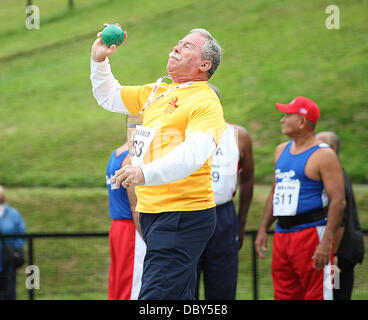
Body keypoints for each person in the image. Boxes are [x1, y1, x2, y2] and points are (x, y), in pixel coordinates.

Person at [91, 26, 226, 299]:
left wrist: (143, 173)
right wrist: (99, 60)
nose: (177, 47)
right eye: (178, 42)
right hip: (155, 212)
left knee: (155, 298)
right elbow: (108, 95)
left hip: (184, 213)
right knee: (178, 297)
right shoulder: (158, 92)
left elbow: (193, 154)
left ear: (204, 64)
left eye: (187, 46)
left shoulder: (205, 101)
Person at [254, 96, 346, 300]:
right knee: (284, 293)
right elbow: (275, 192)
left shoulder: (324, 155)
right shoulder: (281, 150)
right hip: (282, 233)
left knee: (316, 294)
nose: (282, 119)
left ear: (302, 121)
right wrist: (263, 228)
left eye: (288, 115)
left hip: (311, 233)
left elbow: (338, 200)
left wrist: (327, 242)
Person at [196, 85, 254, 300]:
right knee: (185, 285)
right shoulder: (180, 133)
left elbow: (247, 180)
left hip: (223, 215)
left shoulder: (238, 135)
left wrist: (241, 222)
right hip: (189, 212)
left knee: (222, 286)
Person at [316, 131, 365, 300]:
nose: (317, 149)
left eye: (322, 145)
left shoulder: (335, 177)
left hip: (339, 255)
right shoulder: (338, 173)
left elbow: (340, 219)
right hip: (343, 251)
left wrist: (333, 255)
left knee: (335, 293)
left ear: (334, 148)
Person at [106, 142, 146, 300]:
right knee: (132, 287)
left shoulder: (116, 154)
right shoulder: (131, 158)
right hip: (132, 228)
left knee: (118, 283)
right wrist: (146, 237)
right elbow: (135, 206)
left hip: (117, 227)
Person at [0, 185, 26, 300]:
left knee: (9, 293)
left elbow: (21, 234)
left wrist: (14, 251)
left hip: (8, 261)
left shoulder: (13, 214)